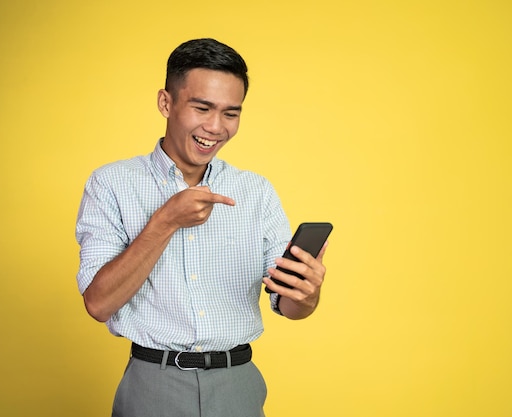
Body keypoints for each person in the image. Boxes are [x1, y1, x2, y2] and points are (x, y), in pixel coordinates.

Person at [75, 38, 328, 417]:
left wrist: (307, 294)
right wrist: (164, 222)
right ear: (166, 102)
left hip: (238, 384)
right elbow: (98, 303)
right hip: (153, 384)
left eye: (231, 113)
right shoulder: (111, 183)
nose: (215, 127)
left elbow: (288, 306)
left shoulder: (255, 191)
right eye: (202, 107)